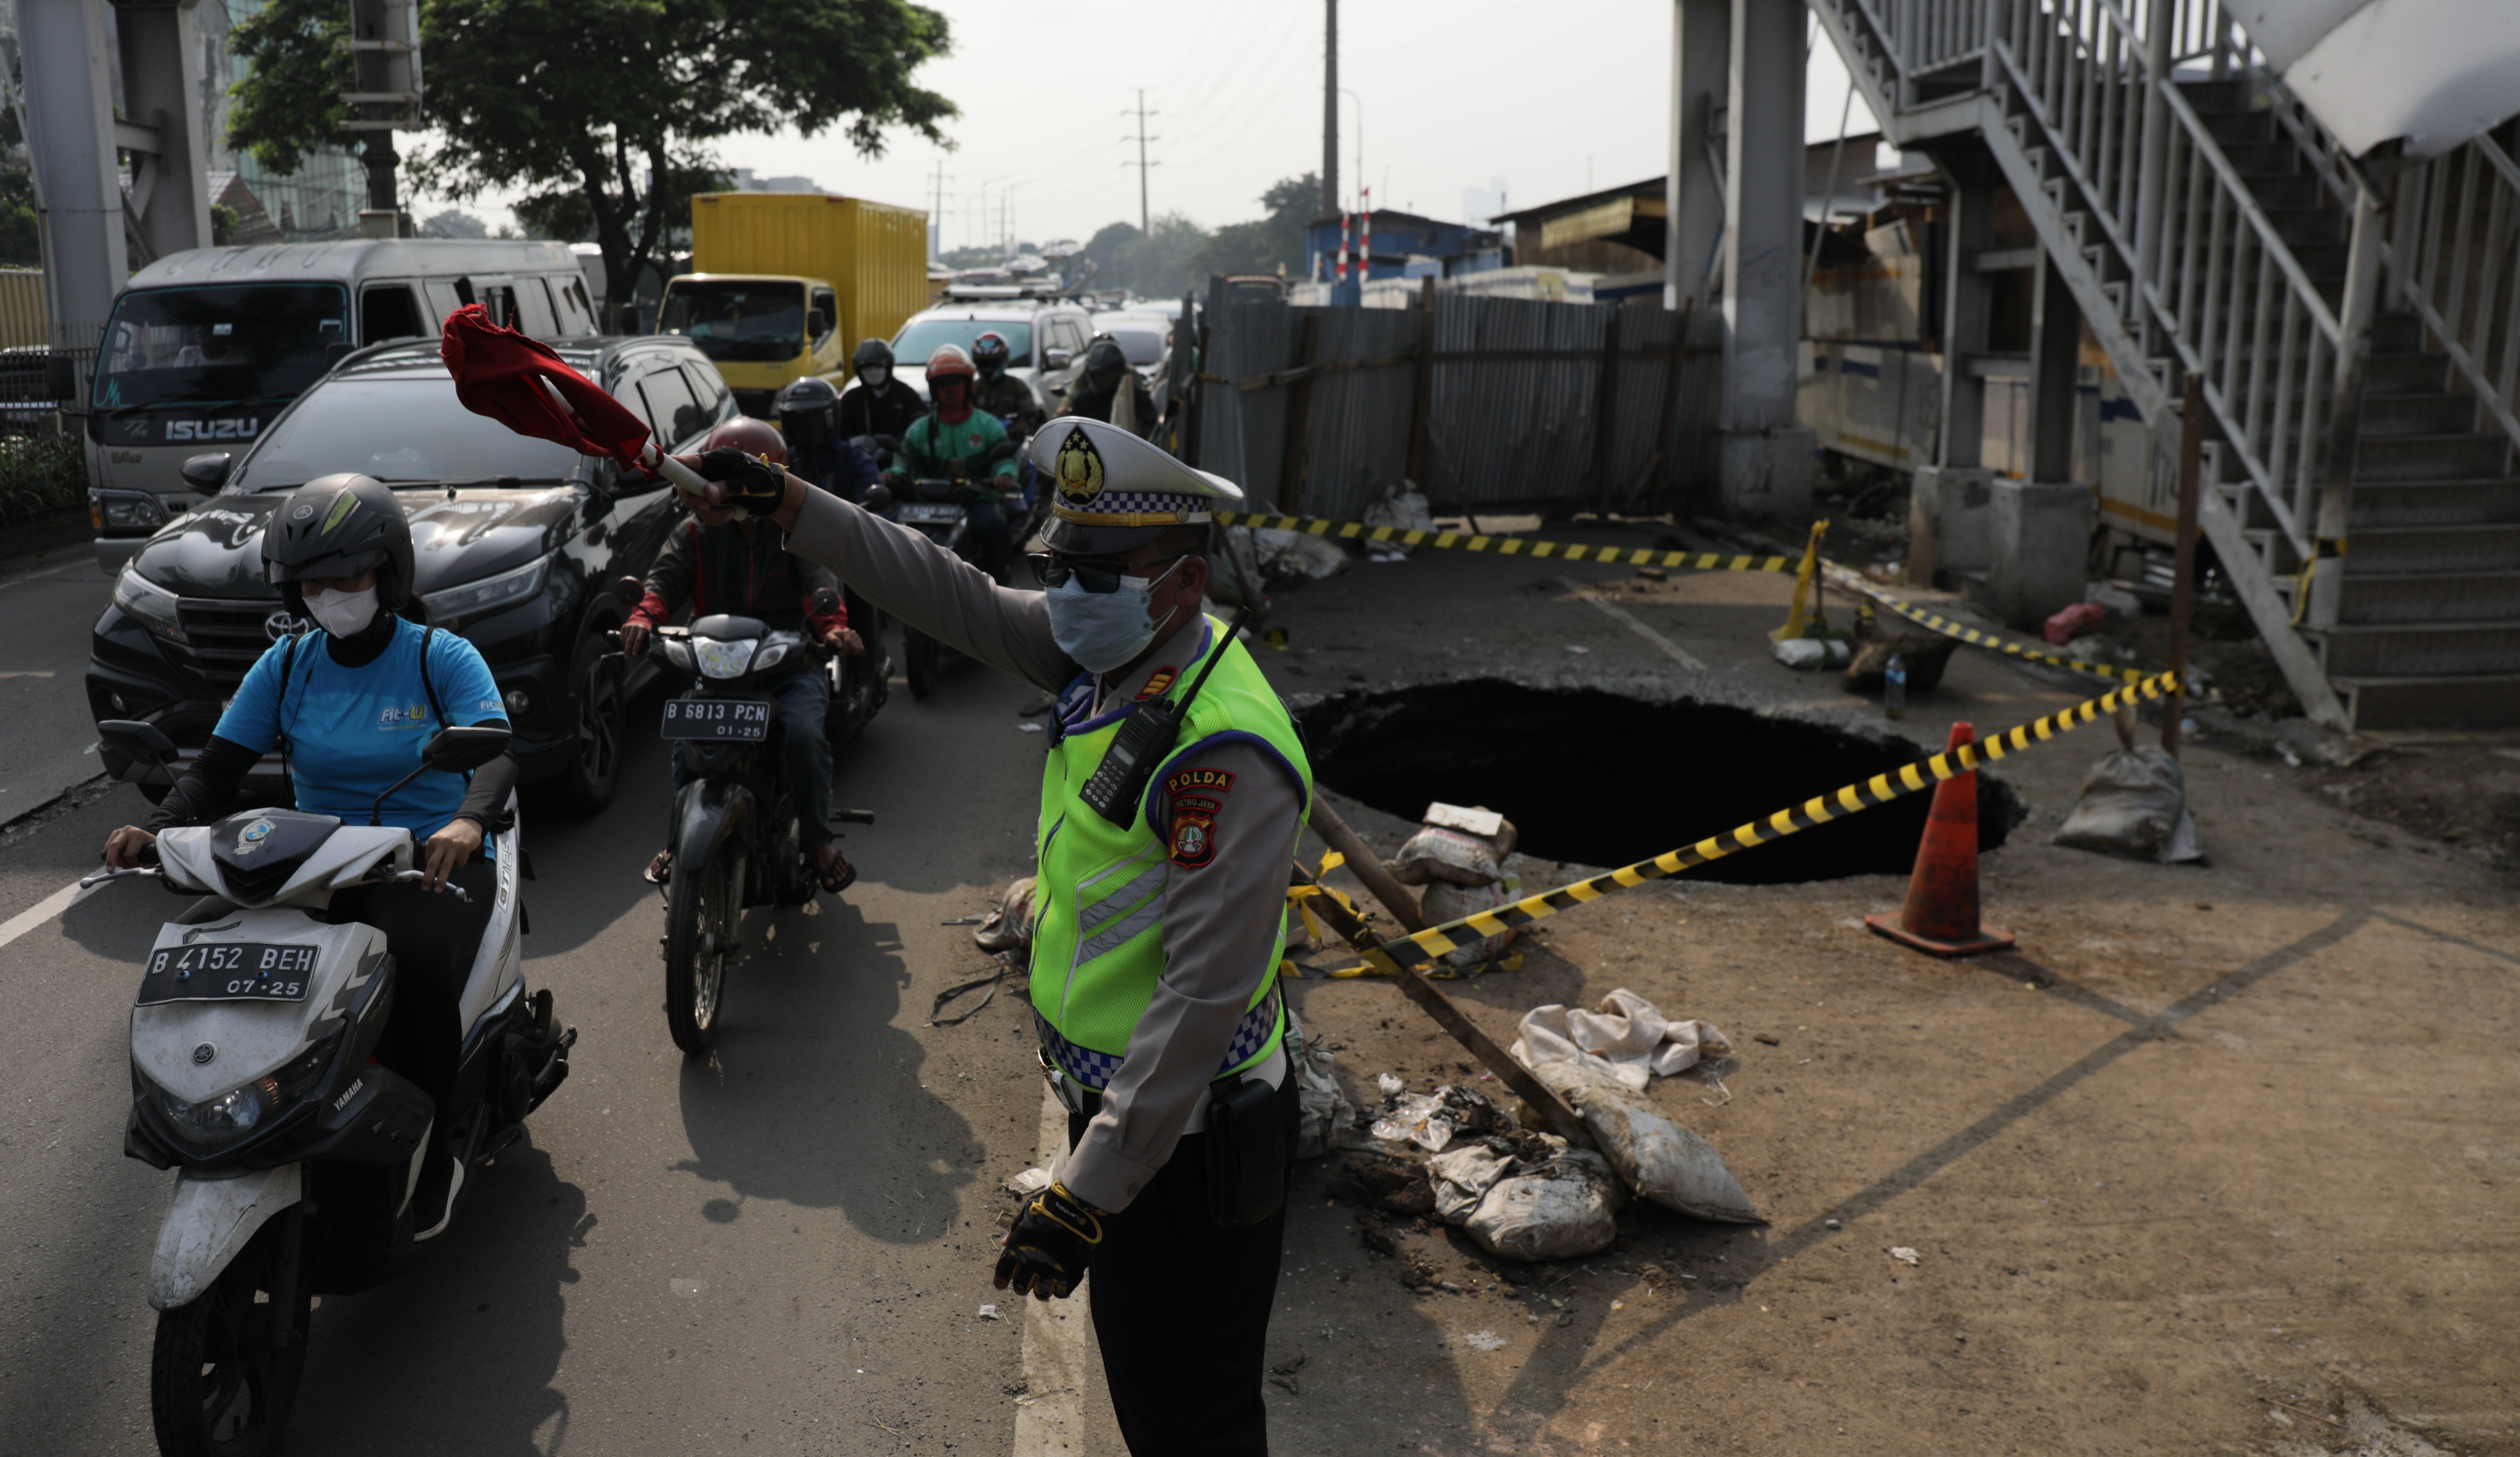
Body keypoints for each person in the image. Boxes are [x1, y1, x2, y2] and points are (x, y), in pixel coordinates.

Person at [672, 418, 1307, 1457]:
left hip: (1183, 1148)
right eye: (1056, 564)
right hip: (1125, 1121)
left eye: (1093, 572)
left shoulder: (1221, 749)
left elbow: (1202, 998)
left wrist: (1081, 1196)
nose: (1063, 591)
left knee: (1192, 1415)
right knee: (1153, 1397)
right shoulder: (1116, 653)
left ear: (1182, 582)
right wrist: (787, 501)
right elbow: (945, 587)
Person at [100, 472, 520, 1231]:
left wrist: (466, 823)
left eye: (347, 576)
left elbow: (494, 755)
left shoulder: (440, 656)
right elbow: (216, 769)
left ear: (388, 572)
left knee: (418, 962)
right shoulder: (289, 663)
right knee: (200, 948)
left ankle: (435, 1152)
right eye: (313, 583)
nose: (331, 594)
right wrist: (158, 827)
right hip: (315, 860)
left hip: (428, 859)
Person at [622, 417, 864, 894]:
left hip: (786, 663)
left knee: (805, 734)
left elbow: (822, 584)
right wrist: (643, 615)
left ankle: (816, 842)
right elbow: (665, 579)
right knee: (688, 730)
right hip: (719, 666)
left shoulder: (795, 532)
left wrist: (834, 629)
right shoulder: (696, 532)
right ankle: (678, 838)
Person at [889, 344, 1020, 579]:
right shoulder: (920, 430)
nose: (950, 390)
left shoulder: (988, 426)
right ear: (934, 389)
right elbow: (903, 459)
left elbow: (1005, 458)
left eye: (955, 383)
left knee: (996, 530)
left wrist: (1006, 476)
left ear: (968, 386)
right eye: (943, 385)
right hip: (926, 505)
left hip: (975, 501)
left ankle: (998, 594)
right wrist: (893, 474)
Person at [774, 375, 882, 503]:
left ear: (832, 416)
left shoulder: (855, 461)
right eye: (797, 420)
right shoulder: (784, 462)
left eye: (813, 420)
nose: (806, 427)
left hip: (843, 523)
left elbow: (871, 513)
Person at [1057, 334, 1157, 439]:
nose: (1103, 380)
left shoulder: (1136, 396)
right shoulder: (1084, 401)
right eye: (1098, 376)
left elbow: (1151, 429)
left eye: (1108, 376)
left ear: (1119, 371)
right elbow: (1071, 432)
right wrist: (1064, 409)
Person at [836, 337, 924, 444]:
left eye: (878, 368)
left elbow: (919, 428)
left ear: (888, 367)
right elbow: (840, 434)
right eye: (867, 369)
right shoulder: (852, 399)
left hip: (900, 456)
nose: (873, 373)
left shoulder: (906, 395)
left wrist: (895, 442)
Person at [970, 330, 1041, 438]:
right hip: (979, 440)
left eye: (993, 362)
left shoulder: (1017, 386)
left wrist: (1022, 425)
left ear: (1005, 359)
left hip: (1012, 441)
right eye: (984, 363)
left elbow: (1031, 413)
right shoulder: (973, 388)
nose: (988, 367)